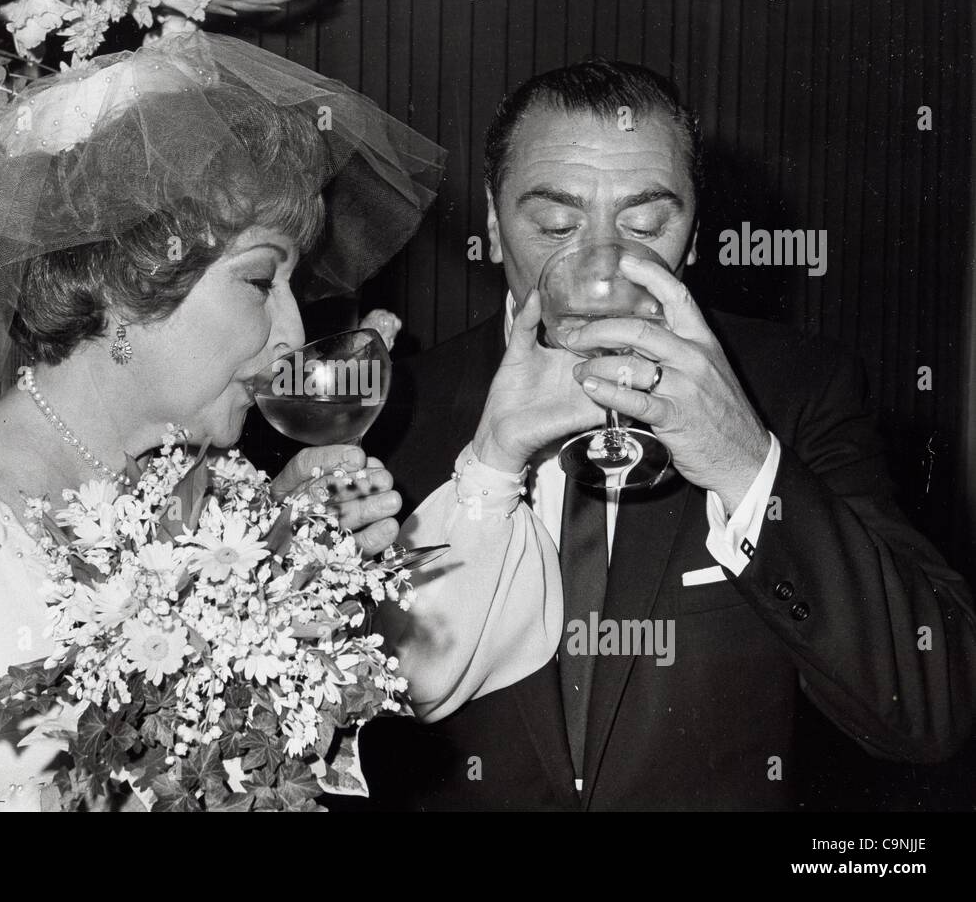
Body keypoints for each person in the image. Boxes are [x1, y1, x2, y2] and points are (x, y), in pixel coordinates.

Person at [0, 28, 443, 811]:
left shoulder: (191, 508)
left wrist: (281, 554)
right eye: (258, 283)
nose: (289, 334)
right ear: (122, 282)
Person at [363, 59, 976, 811]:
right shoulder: (395, 412)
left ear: (693, 237)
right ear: (492, 225)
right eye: (555, 224)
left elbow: (931, 708)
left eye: (646, 225)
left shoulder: (798, 389)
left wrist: (743, 458)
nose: (602, 267)